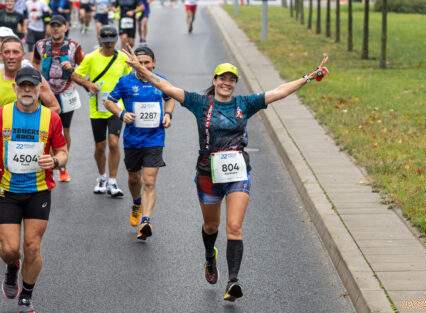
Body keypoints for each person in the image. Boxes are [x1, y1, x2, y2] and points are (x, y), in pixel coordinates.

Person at [124, 47, 329, 301]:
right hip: (207, 174)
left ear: (234, 84)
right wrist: (141, 68)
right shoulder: (200, 103)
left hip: (237, 172)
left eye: (231, 80)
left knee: (234, 227)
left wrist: (309, 77)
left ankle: (233, 282)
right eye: (222, 78)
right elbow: (166, 88)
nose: (226, 83)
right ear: (214, 81)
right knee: (211, 226)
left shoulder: (245, 104)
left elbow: (279, 92)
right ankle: (210, 256)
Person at [0, 66, 67, 313]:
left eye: (32, 86)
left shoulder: (52, 118)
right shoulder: (2, 114)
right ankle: (12, 266)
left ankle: (26, 295)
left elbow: (63, 151)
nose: (27, 90)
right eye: (23, 85)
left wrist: (56, 161)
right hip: (6, 190)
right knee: (9, 250)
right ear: (15, 88)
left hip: (38, 190)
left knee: (32, 246)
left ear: (40, 89)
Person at [104, 46, 174, 239]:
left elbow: (170, 98)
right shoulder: (125, 82)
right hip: (133, 139)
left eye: (146, 63)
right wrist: (121, 113)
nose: (143, 66)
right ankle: (136, 202)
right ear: (133, 63)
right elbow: (108, 101)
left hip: (155, 138)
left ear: (154, 63)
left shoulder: (159, 81)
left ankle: (146, 221)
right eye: (139, 63)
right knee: (134, 179)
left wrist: (168, 115)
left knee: (149, 181)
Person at [72, 25, 131, 196]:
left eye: (112, 40)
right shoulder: (91, 58)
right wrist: (88, 84)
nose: (109, 44)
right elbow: (75, 75)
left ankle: (112, 181)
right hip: (97, 108)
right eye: (105, 41)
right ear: (100, 40)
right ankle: (102, 177)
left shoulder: (123, 58)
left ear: (116, 39)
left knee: (113, 143)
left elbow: (128, 78)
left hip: (116, 107)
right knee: (100, 146)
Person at [32, 14, 84, 182]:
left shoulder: (74, 46)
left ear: (65, 27)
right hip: (45, 92)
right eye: (52, 25)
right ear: (49, 28)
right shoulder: (40, 45)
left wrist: (73, 67)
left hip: (66, 92)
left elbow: (83, 69)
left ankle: (62, 165)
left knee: (65, 129)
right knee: (43, 129)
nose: (55, 28)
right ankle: (44, 164)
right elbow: (35, 63)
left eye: (58, 25)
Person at [0, 36, 60, 114]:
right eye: (7, 52)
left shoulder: (35, 78)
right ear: (1, 55)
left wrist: (34, 119)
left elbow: (55, 107)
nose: (11, 57)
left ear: (23, 55)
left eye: (15, 52)